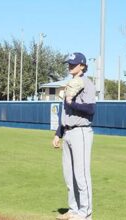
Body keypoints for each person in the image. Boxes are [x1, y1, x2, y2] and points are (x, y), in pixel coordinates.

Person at [52, 52, 96, 220]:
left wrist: (72, 102)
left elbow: (91, 110)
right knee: (68, 174)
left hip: (81, 132)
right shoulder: (71, 84)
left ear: (82, 65)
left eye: (74, 63)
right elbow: (64, 113)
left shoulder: (87, 84)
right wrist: (58, 133)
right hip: (68, 131)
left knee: (81, 174)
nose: (70, 65)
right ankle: (73, 209)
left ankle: (85, 213)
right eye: (69, 63)